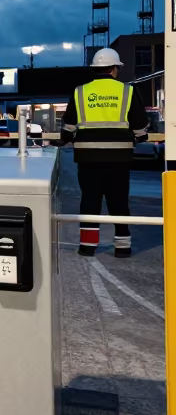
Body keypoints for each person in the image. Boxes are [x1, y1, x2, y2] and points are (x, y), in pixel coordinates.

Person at [60, 47, 149, 258]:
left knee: (90, 200)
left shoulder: (80, 91)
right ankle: (122, 247)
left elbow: (68, 127)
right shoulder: (127, 91)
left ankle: (88, 247)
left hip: (88, 157)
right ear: (114, 69)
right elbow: (140, 126)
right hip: (118, 158)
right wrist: (139, 136)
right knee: (118, 201)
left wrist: (66, 138)